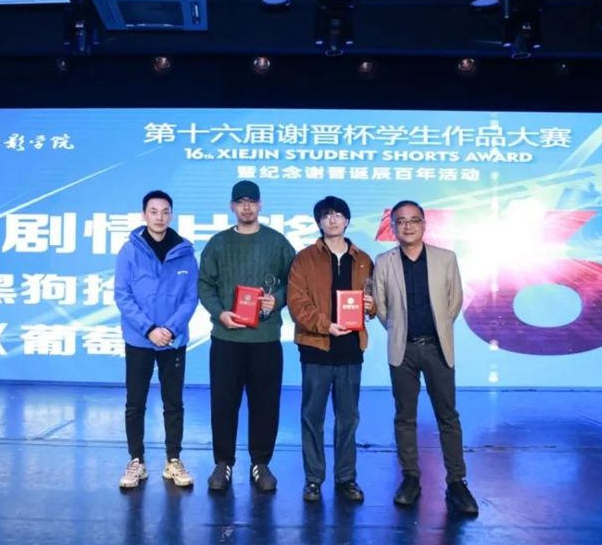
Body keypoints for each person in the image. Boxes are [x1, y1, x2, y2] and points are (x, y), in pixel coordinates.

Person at [373, 200, 479, 516]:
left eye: (414, 220)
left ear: (424, 224)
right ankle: (410, 478)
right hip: (402, 349)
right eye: (401, 221)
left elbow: (454, 301)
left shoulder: (446, 259)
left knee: (448, 416)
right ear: (393, 227)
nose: (407, 226)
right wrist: (399, 331)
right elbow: (381, 307)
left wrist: (438, 329)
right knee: (405, 416)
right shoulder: (384, 261)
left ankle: (457, 482)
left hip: (436, 347)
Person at [198, 180, 296, 492]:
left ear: (260, 204)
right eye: (240, 202)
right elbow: (204, 284)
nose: (246, 207)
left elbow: (295, 281)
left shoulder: (277, 242)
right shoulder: (218, 243)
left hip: (265, 339)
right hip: (226, 338)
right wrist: (219, 313)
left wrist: (276, 300)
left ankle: (261, 463)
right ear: (232, 206)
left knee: (265, 403)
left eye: (252, 201)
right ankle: (223, 463)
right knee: (223, 402)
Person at [287, 196, 376, 503]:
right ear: (319, 222)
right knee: (312, 417)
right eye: (326, 215)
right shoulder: (304, 259)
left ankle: (346, 478)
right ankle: (313, 479)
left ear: (347, 220)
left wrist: (372, 305)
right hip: (316, 348)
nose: (333, 220)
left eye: (338, 214)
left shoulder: (363, 259)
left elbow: (376, 300)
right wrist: (326, 325)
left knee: (348, 418)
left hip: (351, 349)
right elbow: (297, 303)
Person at [114, 190, 199, 489]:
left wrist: (170, 330)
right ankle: (136, 460)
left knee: (173, 402)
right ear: (144, 215)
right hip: (139, 339)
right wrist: (149, 329)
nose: (159, 217)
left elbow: (191, 298)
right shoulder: (129, 252)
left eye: (165, 212)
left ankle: (173, 459)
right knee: (135, 403)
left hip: (173, 341)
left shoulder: (185, 253)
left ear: (171, 215)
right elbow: (123, 296)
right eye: (153, 211)